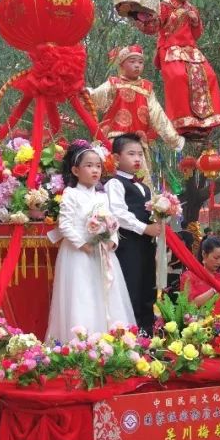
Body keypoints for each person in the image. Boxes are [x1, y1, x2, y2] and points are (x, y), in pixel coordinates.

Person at [46, 143, 133, 342]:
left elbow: (112, 221)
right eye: (89, 166)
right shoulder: (71, 194)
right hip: (78, 254)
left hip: (103, 253)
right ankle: (80, 342)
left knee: (106, 294)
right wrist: (83, 244)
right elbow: (66, 224)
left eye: (98, 166)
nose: (95, 170)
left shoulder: (102, 196)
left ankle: (110, 340)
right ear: (76, 170)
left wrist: (111, 241)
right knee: (81, 295)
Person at [136, 0, 220, 138]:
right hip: (170, 50)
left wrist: (195, 22)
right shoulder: (165, 6)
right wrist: (142, 17)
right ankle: (182, 120)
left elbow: (197, 34)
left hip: (191, 51)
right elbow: (154, 27)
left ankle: (202, 122)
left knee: (209, 75)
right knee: (178, 77)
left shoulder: (193, 9)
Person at [87, 45, 184, 166]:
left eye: (140, 62)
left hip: (138, 144)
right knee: (112, 175)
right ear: (121, 65)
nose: (137, 65)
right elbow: (94, 97)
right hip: (114, 141)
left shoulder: (147, 88)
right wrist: (85, 93)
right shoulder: (113, 84)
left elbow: (157, 115)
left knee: (139, 179)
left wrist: (173, 138)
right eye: (132, 61)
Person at [104, 133, 160, 334]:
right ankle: (130, 336)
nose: (137, 159)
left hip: (145, 246)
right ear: (117, 158)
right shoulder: (114, 184)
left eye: (140, 154)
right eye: (131, 154)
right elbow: (118, 213)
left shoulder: (144, 187)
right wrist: (145, 228)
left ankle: (148, 335)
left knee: (148, 289)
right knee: (131, 289)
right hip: (128, 247)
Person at [181, 236, 220, 305]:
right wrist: (215, 289)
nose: (219, 262)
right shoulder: (189, 276)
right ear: (204, 254)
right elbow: (191, 304)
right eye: (216, 258)